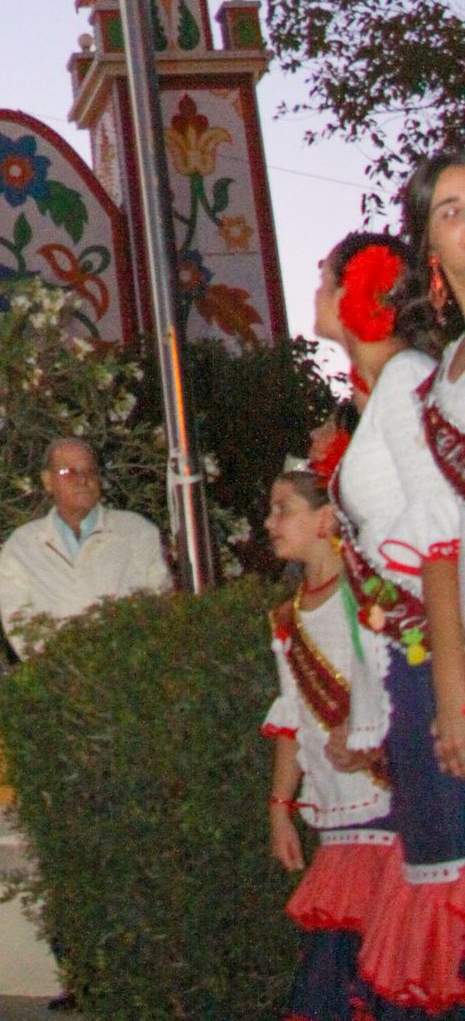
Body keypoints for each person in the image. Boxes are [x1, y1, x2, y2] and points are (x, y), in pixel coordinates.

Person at [314, 217, 465, 1021]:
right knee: (435, 859)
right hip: (411, 660)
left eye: (325, 278)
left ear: (361, 292)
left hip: (437, 658)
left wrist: (450, 690)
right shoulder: (384, 396)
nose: (315, 292)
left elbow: (442, 531)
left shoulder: (409, 381)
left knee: (449, 869)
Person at [262, 466, 398, 1021]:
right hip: (336, 816)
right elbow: (292, 716)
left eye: (282, 509)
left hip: (389, 809)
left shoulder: (369, 595)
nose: (269, 522)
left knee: (379, 968)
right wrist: (280, 808)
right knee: (335, 970)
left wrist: (375, 746)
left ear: (325, 519)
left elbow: (403, 688)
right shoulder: (287, 617)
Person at [0, 437, 170, 656]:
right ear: (48, 481)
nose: (82, 480)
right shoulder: (22, 548)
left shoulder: (136, 532)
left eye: (90, 471)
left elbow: (159, 604)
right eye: (69, 472)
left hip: (131, 667)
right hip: (60, 671)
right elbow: (20, 626)